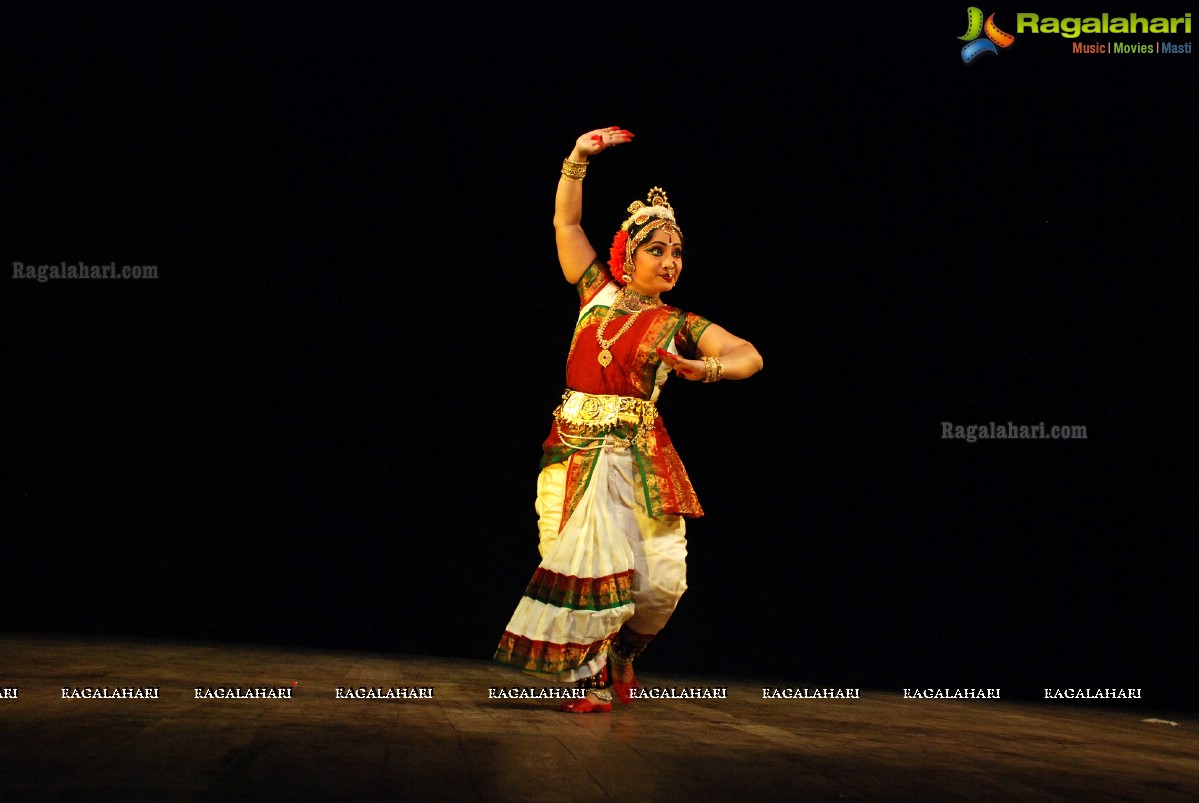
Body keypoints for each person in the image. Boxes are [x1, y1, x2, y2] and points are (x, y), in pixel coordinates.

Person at [493, 126, 763, 713]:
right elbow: (567, 225)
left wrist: (707, 370)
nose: (670, 261)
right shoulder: (595, 291)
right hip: (571, 452)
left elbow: (749, 355)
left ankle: (622, 659)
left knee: (663, 583)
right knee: (579, 562)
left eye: (677, 252)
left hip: (639, 459)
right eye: (657, 250)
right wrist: (576, 160)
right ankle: (589, 682)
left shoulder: (680, 322)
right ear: (628, 255)